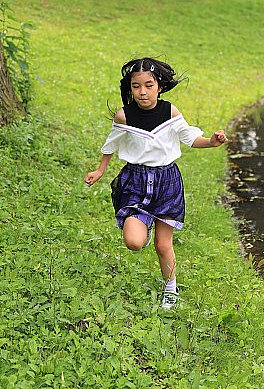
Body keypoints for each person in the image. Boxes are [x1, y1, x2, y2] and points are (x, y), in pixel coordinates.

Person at [84, 58, 227, 309]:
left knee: (164, 245)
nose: (142, 92)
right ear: (130, 88)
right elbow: (111, 144)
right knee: (134, 242)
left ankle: (170, 287)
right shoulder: (124, 116)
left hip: (166, 182)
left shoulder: (170, 112)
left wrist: (211, 141)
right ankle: (143, 225)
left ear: (159, 86)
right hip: (135, 182)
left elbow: (190, 137)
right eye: (136, 86)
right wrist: (100, 170)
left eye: (148, 85)